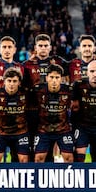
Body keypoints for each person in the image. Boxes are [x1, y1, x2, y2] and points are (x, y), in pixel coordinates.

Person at [23, 33, 69, 162]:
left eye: (45, 45)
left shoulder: (57, 61)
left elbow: (75, 66)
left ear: (50, 47)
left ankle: (47, 173)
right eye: (40, 46)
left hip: (51, 111)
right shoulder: (27, 65)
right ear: (35, 48)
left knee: (47, 147)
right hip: (32, 111)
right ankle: (30, 174)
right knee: (31, 145)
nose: (43, 48)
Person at [69, 34, 96, 162]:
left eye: (89, 46)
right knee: (77, 152)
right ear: (79, 48)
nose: (87, 48)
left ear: (94, 48)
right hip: (80, 119)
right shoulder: (71, 64)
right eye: (84, 46)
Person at [32, 64, 73, 163]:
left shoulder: (69, 91)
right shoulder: (37, 90)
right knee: (38, 158)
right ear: (46, 78)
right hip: (43, 130)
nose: (54, 80)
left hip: (63, 130)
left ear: (61, 79)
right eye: (51, 77)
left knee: (69, 158)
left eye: (57, 77)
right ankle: (40, 178)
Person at [0, 68, 29, 163]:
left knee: (24, 161)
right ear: (4, 81)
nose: (11, 84)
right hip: (1, 132)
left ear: (19, 82)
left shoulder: (26, 94)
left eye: (14, 81)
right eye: (9, 81)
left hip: (20, 132)